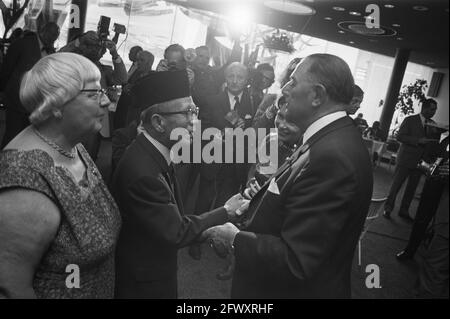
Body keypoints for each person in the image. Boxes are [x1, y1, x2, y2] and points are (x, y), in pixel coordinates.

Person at [202, 53, 373, 298]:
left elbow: (297, 260)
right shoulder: (329, 138)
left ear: (317, 95)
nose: (284, 88)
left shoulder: (333, 156)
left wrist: (235, 238)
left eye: (293, 82)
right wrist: (259, 204)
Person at [112, 70, 248, 299]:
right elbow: (175, 231)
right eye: (188, 113)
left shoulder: (153, 151)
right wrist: (225, 213)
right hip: (143, 281)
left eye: (195, 111)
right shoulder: (143, 171)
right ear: (158, 122)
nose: (195, 122)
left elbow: (170, 219)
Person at [0, 53, 121, 298]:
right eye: (93, 94)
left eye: (104, 91)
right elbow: (10, 289)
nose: (106, 101)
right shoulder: (25, 184)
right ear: (56, 105)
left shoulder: (71, 145)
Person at [60, 31, 127, 161]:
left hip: (94, 123)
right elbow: (58, 57)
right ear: (83, 48)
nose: (96, 50)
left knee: (88, 158)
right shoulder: (73, 63)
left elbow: (122, 78)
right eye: (91, 46)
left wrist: (114, 53)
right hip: (72, 119)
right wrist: (77, 42)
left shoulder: (103, 69)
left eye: (98, 47)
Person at [0, 22, 60, 147]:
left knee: (28, 139)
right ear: (43, 31)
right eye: (52, 35)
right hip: (17, 101)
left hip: (37, 105)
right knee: (13, 136)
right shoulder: (22, 44)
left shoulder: (51, 51)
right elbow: (6, 69)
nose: (53, 39)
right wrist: (3, 92)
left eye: (56, 36)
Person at [384, 98, 439, 220]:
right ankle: (388, 209)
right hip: (405, 159)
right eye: (432, 109)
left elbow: (433, 142)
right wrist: (417, 141)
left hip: (420, 162)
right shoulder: (410, 120)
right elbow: (400, 136)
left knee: (411, 189)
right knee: (396, 186)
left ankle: (404, 211)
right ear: (424, 108)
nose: (433, 112)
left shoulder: (433, 125)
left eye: (435, 110)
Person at [396, 134, 449, 261]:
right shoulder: (444, 137)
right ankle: (410, 250)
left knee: (441, 225)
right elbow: (431, 156)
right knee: (421, 218)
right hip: (434, 183)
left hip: (446, 191)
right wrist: (428, 166)